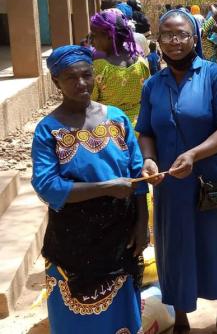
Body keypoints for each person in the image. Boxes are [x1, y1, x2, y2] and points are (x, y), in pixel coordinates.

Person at [136, 9, 217, 334]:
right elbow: (146, 132)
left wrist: (195, 154)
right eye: (167, 35)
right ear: (159, 40)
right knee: (176, 248)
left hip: (212, 179)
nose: (174, 41)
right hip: (170, 185)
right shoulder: (152, 85)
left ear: (194, 37)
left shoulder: (216, 76)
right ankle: (181, 317)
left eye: (181, 34)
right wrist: (149, 160)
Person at [31, 45, 149, 334]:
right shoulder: (48, 130)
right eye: (71, 77)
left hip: (122, 235)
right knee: (75, 319)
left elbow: (136, 175)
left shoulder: (117, 119)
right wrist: (106, 187)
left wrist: (142, 223)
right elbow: (47, 185)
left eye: (87, 75)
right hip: (74, 239)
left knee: (121, 314)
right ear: (56, 81)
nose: (81, 83)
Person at [90, 9, 150, 123]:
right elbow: (146, 95)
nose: (92, 41)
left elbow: (91, 103)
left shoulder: (99, 67)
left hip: (110, 127)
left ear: (108, 36)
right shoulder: (141, 63)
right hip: (138, 125)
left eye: (94, 36)